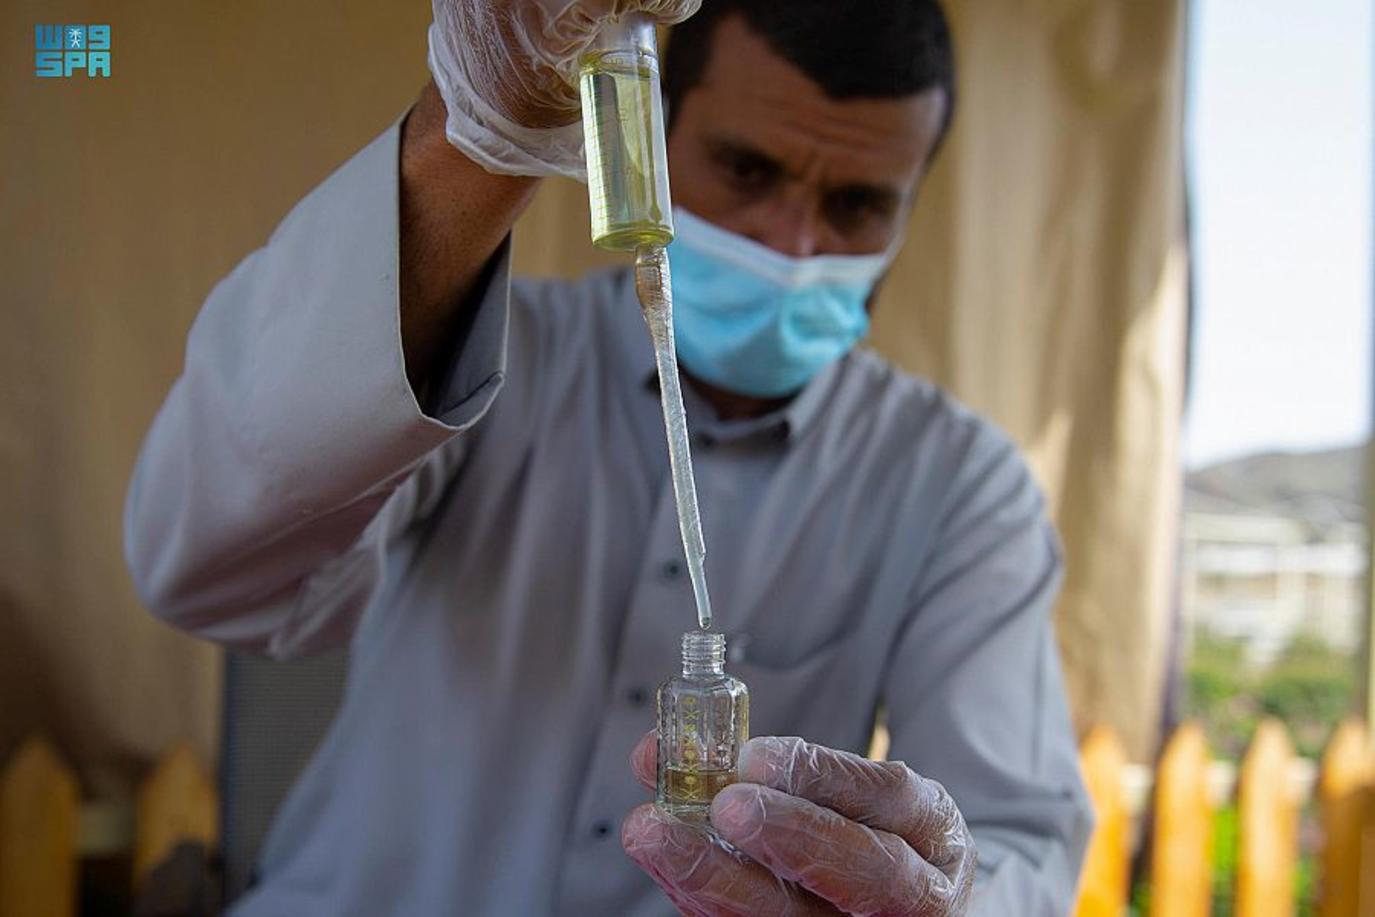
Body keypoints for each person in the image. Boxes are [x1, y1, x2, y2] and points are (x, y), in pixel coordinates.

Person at [124, 0, 1093, 913]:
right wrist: (472, 143)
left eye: (855, 204)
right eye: (745, 169)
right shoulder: (469, 350)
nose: (791, 244)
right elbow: (206, 569)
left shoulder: (958, 489)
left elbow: (1011, 839)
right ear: (652, 137)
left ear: (911, 207)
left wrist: (939, 895)